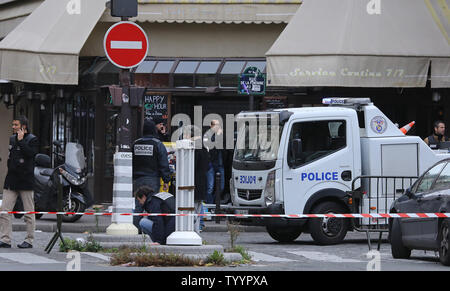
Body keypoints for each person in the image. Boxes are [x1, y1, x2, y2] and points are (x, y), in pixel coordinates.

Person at [0, 116, 39, 248]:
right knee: (4, 210)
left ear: (23, 126)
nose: (13, 127)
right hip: (11, 180)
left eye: (16, 125)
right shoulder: (12, 139)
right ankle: (5, 239)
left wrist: (21, 141)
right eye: (13, 125)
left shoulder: (32, 139)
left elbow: (30, 155)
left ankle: (29, 240)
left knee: (29, 212)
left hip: (26, 180)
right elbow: (11, 157)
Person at [132, 118, 171, 230]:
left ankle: (136, 230)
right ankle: (153, 230)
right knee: (153, 205)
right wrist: (166, 180)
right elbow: (163, 163)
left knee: (138, 205)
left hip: (137, 179)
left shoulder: (135, 143)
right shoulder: (158, 144)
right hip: (152, 179)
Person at [204, 120, 225, 205]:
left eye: (219, 125)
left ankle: (215, 204)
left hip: (220, 164)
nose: (218, 127)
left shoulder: (221, 135)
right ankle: (209, 206)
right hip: (210, 164)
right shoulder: (207, 135)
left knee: (221, 187)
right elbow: (211, 146)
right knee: (210, 187)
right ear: (211, 126)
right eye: (216, 125)